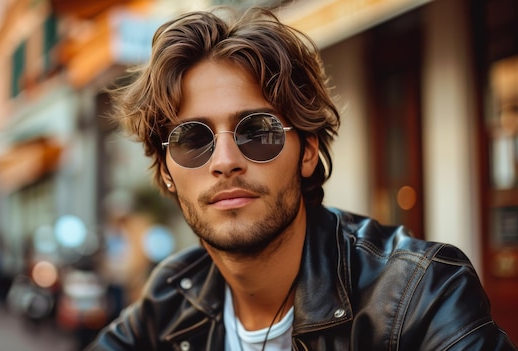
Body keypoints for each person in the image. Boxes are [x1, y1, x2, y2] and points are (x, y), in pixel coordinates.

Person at [86, 6, 517, 351]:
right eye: (192, 139)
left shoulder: (419, 294)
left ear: (307, 151)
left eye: (257, 132)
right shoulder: (171, 298)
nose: (225, 160)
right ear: (166, 172)